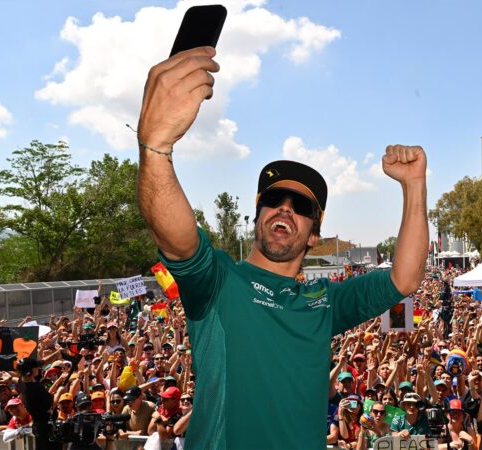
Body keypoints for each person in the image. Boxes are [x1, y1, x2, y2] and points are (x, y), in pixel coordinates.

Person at [136, 46, 428, 449]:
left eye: (301, 206)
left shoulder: (325, 302)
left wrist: (414, 186)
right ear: (258, 216)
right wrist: (156, 147)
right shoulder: (220, 281)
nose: (285, 209)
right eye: (274, 199)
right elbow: (178, 239)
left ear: (314, 234)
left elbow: (405, 278)